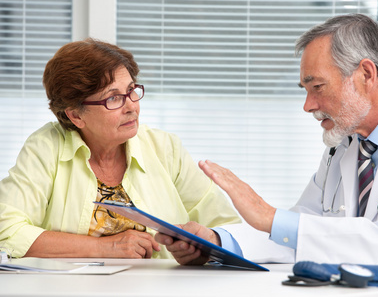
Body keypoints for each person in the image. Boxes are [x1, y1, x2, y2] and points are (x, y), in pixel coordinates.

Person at [155, 14, 378, 279]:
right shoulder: (347, 144)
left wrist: (269, 216)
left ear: (366, 75)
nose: (308, 106)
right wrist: (215, 243)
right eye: (306, 90)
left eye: (317, 87)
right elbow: (301, 233)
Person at [0, 38, 240, 259]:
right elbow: (6, 231)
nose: (131, 107)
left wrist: (204, 247)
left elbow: (229, 230)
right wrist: (105, 247)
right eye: (113, 98)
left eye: (132, 91)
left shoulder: (164, 148)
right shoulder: (46, 147)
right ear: (75, 115)